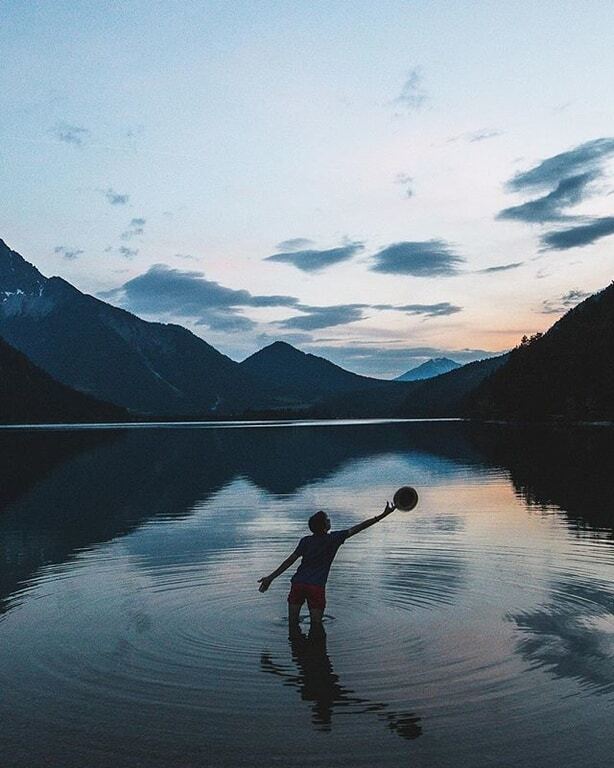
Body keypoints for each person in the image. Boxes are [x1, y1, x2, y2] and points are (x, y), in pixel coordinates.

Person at [258, 502, 395, 625]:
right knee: (316, 626)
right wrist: (382, 515)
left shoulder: (305, 541)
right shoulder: (334, 539)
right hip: (316, 587)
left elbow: (289, 561)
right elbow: (360, 527)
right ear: (324, 526)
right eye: (327, 519)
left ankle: (295, 650)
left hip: (298, 584)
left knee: (292, 623)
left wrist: (271, 577)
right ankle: (315, 652)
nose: (329, 520)